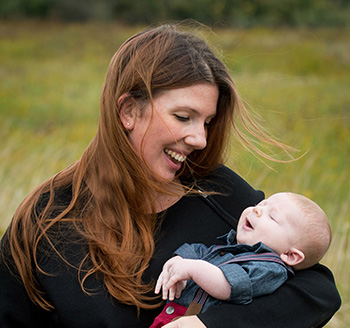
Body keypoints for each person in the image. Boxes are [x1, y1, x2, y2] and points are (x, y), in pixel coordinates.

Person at [0, 23, 340, 328]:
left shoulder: (220, 194)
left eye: (206, 122)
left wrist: (211, 325)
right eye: (183, 116)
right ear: (128, 111)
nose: (201, 139)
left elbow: (317, 291)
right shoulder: (47, 219)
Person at [150, 192, 331, 327]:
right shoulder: (232, 246)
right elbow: (200, 251)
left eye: (272, 216)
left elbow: (227, 285)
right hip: (173, 317)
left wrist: (190, 269)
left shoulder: (270, 269)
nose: (257, 210)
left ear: (290, 256)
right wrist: (177, 262)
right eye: (261, 204)